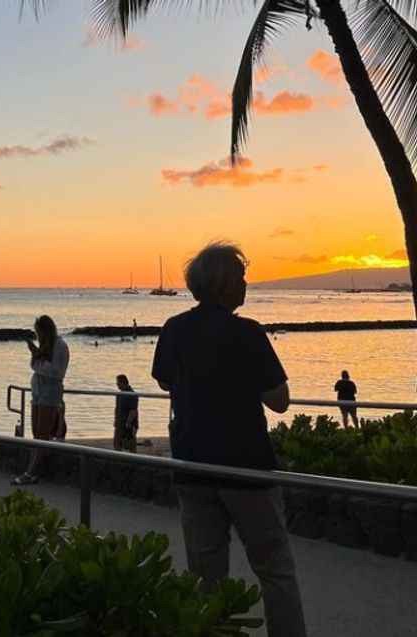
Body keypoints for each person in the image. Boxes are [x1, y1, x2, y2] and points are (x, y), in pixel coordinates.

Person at [151, 242, 306, 637]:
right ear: (223, 284)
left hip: (192, 465)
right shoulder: (248, 333)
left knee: (206, 577)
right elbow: (280, 401)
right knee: (275, 571)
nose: (246, 283)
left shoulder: (174, 329)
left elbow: (164, 378)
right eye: (240, 276)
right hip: (247, 467)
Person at [13, 315, 70, 485]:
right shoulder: (46, 346)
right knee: (36, 432)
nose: (39, 336)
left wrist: (37, 357)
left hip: (50, 391)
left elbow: (56, 371)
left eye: (40, 332)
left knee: (42, 434)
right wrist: (36, 355)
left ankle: (30, 472)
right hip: (38, 390)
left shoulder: (59, 346)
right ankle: (35, 470)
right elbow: (34, 365)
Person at [113, 374, 139, 452]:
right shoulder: (119, 394)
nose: (117, 385)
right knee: (117, 443)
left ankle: (133, 461)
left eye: (118, 383)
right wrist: (115, 420)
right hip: (119, 423)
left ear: (123, 382)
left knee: (130, 444)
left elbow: (133, 410)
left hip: (128, 424)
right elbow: (117, 409)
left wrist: (128, 423)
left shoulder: (132, 394)